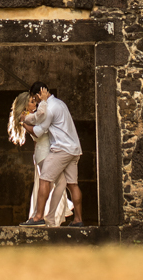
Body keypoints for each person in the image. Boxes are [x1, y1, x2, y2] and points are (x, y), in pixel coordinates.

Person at [17, 81, 84, 227]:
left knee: (44, 180)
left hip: (62, 148)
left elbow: (38, 131)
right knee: (72, 185)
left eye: (34, 99)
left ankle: (38, 217)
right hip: (74, 149)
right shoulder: (60, 103)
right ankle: (78, 220)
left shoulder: (49, 108)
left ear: (38, 95)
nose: (36, 102)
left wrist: (24, 122)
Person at [8, 91, 73, 226]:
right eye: (32, 102)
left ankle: (43, 216)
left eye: (34, 101)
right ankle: (43, 216)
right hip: (44, 154)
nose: (35, 104)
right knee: (57, 183)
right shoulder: (26, 117)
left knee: (55, 184)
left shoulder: (31, 116)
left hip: (43, 153)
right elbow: (37, 133)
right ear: (25, 104)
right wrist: (44, 101)